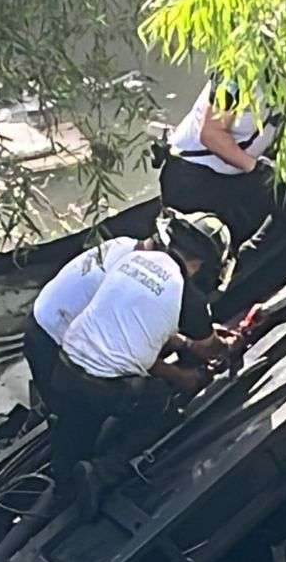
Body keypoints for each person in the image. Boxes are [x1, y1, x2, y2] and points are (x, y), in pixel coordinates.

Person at [48, 210, 236, 513]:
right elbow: (209, 350)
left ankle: (63, 486)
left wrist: (186, 342)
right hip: (105, 387)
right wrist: (219, 348)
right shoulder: (189, 296)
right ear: (202, 264)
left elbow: (138, 324)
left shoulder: (132, 261)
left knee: (75, 421)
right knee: (164, 407)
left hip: (64, 366)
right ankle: (102, 472)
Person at [159, 77, 286, 281]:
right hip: (194, 176)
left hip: (238, 173)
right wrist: (256, 168)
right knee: (198, 251)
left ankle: (244, 268)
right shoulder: (234, 77)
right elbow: (211, 134)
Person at [23, 235, 138, 408]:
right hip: (52, 340)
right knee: (79, 410)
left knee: (55, 399)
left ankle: (45, 411)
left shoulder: (124, 243)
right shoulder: (130, 276)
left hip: (38, 320)